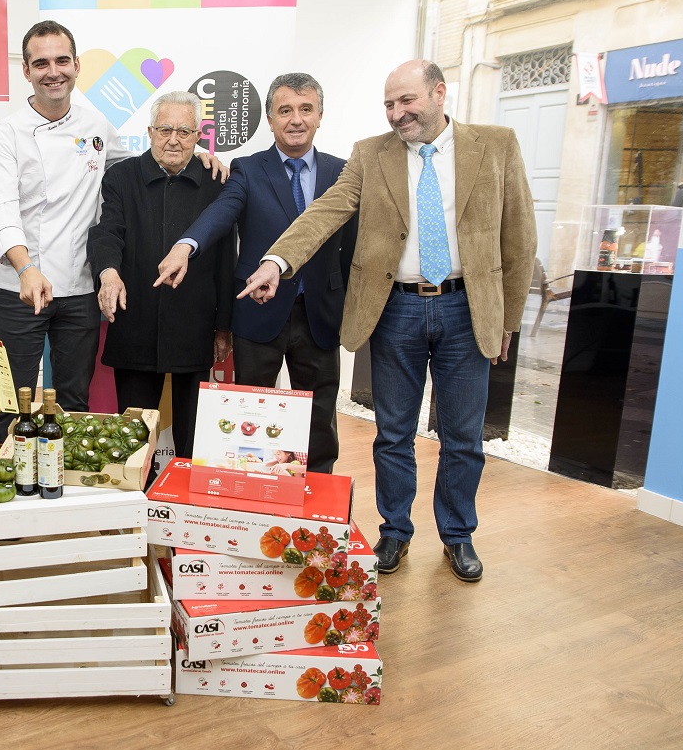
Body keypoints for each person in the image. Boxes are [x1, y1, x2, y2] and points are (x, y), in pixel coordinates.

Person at [238, 60, 537, 582]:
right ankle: (394, 531)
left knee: (463, 436)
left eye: (407, 101)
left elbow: (519, 234)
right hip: (395, 308)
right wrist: (276, 262)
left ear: (439, 93)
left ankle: (458, 535)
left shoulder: (496, 144)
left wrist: (508, 317)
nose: (398, 114)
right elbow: (326, 212)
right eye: (389, 105)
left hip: (467, 308)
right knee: (392, 434)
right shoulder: (370, 154)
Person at [0, 20, 226, 439]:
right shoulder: (7, 134)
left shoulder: (96, 126)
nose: (53, 71)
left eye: (62, 60)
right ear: (26, 71)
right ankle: (15, 488)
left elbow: (143, 162)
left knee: (74, 403)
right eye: (41, 63)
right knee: (14, 401)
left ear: (77, 66)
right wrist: (26, 269)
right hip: (20, 284)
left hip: (78, 286)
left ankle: (69, 493)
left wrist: (196, 149)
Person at [155, 73, 357, 474]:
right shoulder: (248, 169)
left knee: (320, 419)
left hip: (320, 312)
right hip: (258, 310)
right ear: (269, 118)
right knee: (254, 419)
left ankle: (318, 502)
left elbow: (351, 246)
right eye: (285, 110)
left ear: (320, 116)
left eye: (305, 109)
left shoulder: (344, 172)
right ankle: (255, 500)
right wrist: (186, 245)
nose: (295, 119)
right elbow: (220, 213)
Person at [86, 91, 234, 462]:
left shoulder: (216, 181)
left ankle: (187, 506)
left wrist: (223, 326)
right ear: (150, 131)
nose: (174, 139)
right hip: (134, 322)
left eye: (184, 132)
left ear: (198, 135)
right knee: (134, 438)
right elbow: (107, 231)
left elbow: (224, 261)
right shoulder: (122, 176)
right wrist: (108, 274)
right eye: (165, 129)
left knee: (194, 435)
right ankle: (135, 506)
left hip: (195, 326)